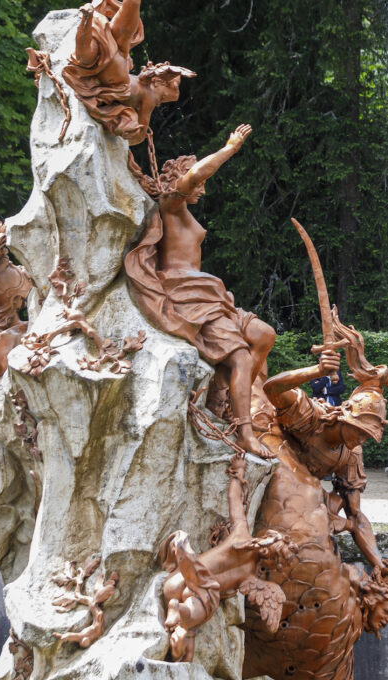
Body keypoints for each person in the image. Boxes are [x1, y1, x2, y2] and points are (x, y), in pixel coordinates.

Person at [124, 125, 276, 456]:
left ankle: (227, 397)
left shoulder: (183, 211)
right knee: (240, 356)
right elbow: (193, 177)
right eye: (199, 183)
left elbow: (194, 179)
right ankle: (244, 431)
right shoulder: (171, 205)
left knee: (264, 335)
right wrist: (229, 149)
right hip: (187, 294)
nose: (203, 190)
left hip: (208, 293)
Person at [62, 0, 195, 145]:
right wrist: (134, 133)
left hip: (118, 76)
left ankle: (87, 20)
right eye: (161, 98)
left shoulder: (143, 85)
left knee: (94, 53)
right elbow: (140, 134)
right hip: (119, 80)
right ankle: (87, 20)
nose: (158, 104)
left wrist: (127, 127)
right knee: (89, 55)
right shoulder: (149, 96)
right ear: (158, 83)